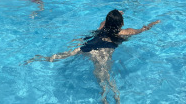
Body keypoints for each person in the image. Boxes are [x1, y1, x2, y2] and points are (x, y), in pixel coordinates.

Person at [26, 9, 160, 102]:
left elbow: (106, 21)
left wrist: (115, 14)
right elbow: (141, 30)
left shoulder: (102, 26)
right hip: (101, 54)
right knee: (105, 80)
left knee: (63, 55)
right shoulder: (124, 32)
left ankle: (39, 59)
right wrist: (151, 24)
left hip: (87, 47)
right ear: (122, 23)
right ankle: (109, 100)